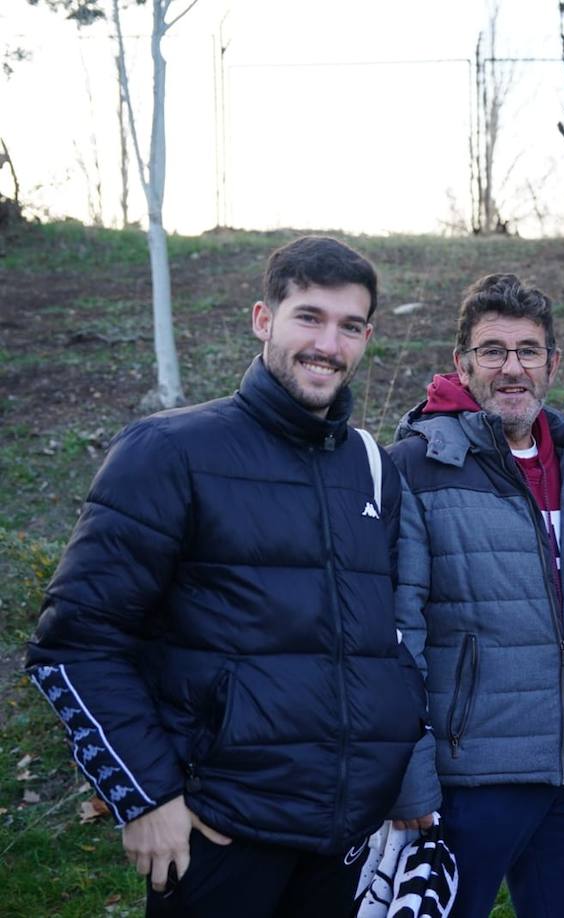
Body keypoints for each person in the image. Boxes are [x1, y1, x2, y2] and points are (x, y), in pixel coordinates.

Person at [26, 236, 433, 916]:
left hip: (341, 834)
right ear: (262, 319)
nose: (328, 344)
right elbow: (76, 644)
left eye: (350, 326)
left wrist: (389, 756)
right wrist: (145, 794)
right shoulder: (169, 451)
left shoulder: (368, 464)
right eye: (309, 316)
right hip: (223, 830)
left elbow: (376, 633)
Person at [389, 273, 564, 918]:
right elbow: (395, 637)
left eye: (528, 350)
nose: (511, 368)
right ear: (462, 363)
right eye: (492, 350)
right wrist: (408, 773)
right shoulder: (415, 470)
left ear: (551, 364)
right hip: (470, 775)